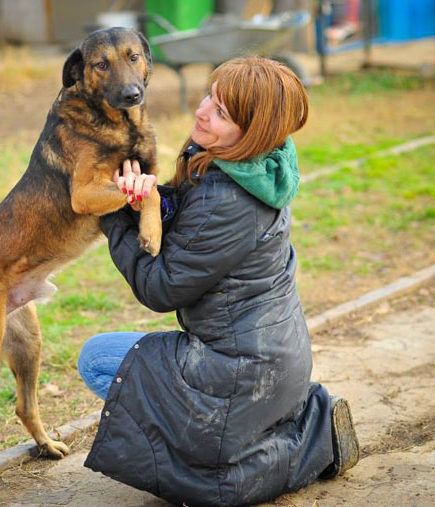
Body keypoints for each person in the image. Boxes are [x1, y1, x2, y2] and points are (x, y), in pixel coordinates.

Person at [77, 57, 360, 506]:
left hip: (240, 370)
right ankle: (308, 424)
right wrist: (144, 200)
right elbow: (192, 225)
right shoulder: (257, 168)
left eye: (222, 113)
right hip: (274, 358)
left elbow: (160, 288)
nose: (202, 111)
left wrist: (112, 213)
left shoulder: (228, 198)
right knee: (134, 365)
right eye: (211, 95)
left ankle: (298, 446)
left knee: (96, 359)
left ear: (254, 133)